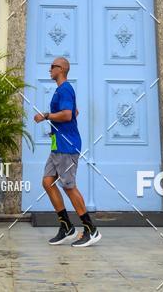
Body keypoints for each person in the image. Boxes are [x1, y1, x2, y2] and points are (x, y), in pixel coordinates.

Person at [33, 56, 101, 247]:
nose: (49, 69)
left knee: (69, 186)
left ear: (61, 69)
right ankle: (67, 227)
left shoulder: (65, 88)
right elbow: (74, 112)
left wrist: (46, 116)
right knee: (47, 182)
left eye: (52, 66)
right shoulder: (61, 90)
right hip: (58, 145)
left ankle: (91, 230)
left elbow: (68, 114)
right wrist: (58, 125)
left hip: (67, 147)